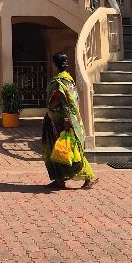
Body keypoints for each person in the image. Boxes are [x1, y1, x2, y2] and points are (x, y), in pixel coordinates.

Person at [42, 52, 96, 190]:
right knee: (58, 150)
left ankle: (87, 177)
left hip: (61, 121)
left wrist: (66, 119)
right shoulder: (68, 79)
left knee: (71, 150)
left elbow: (66, 101)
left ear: (55, 64)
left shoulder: (61, 81)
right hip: (60, 119)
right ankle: (59, 179)